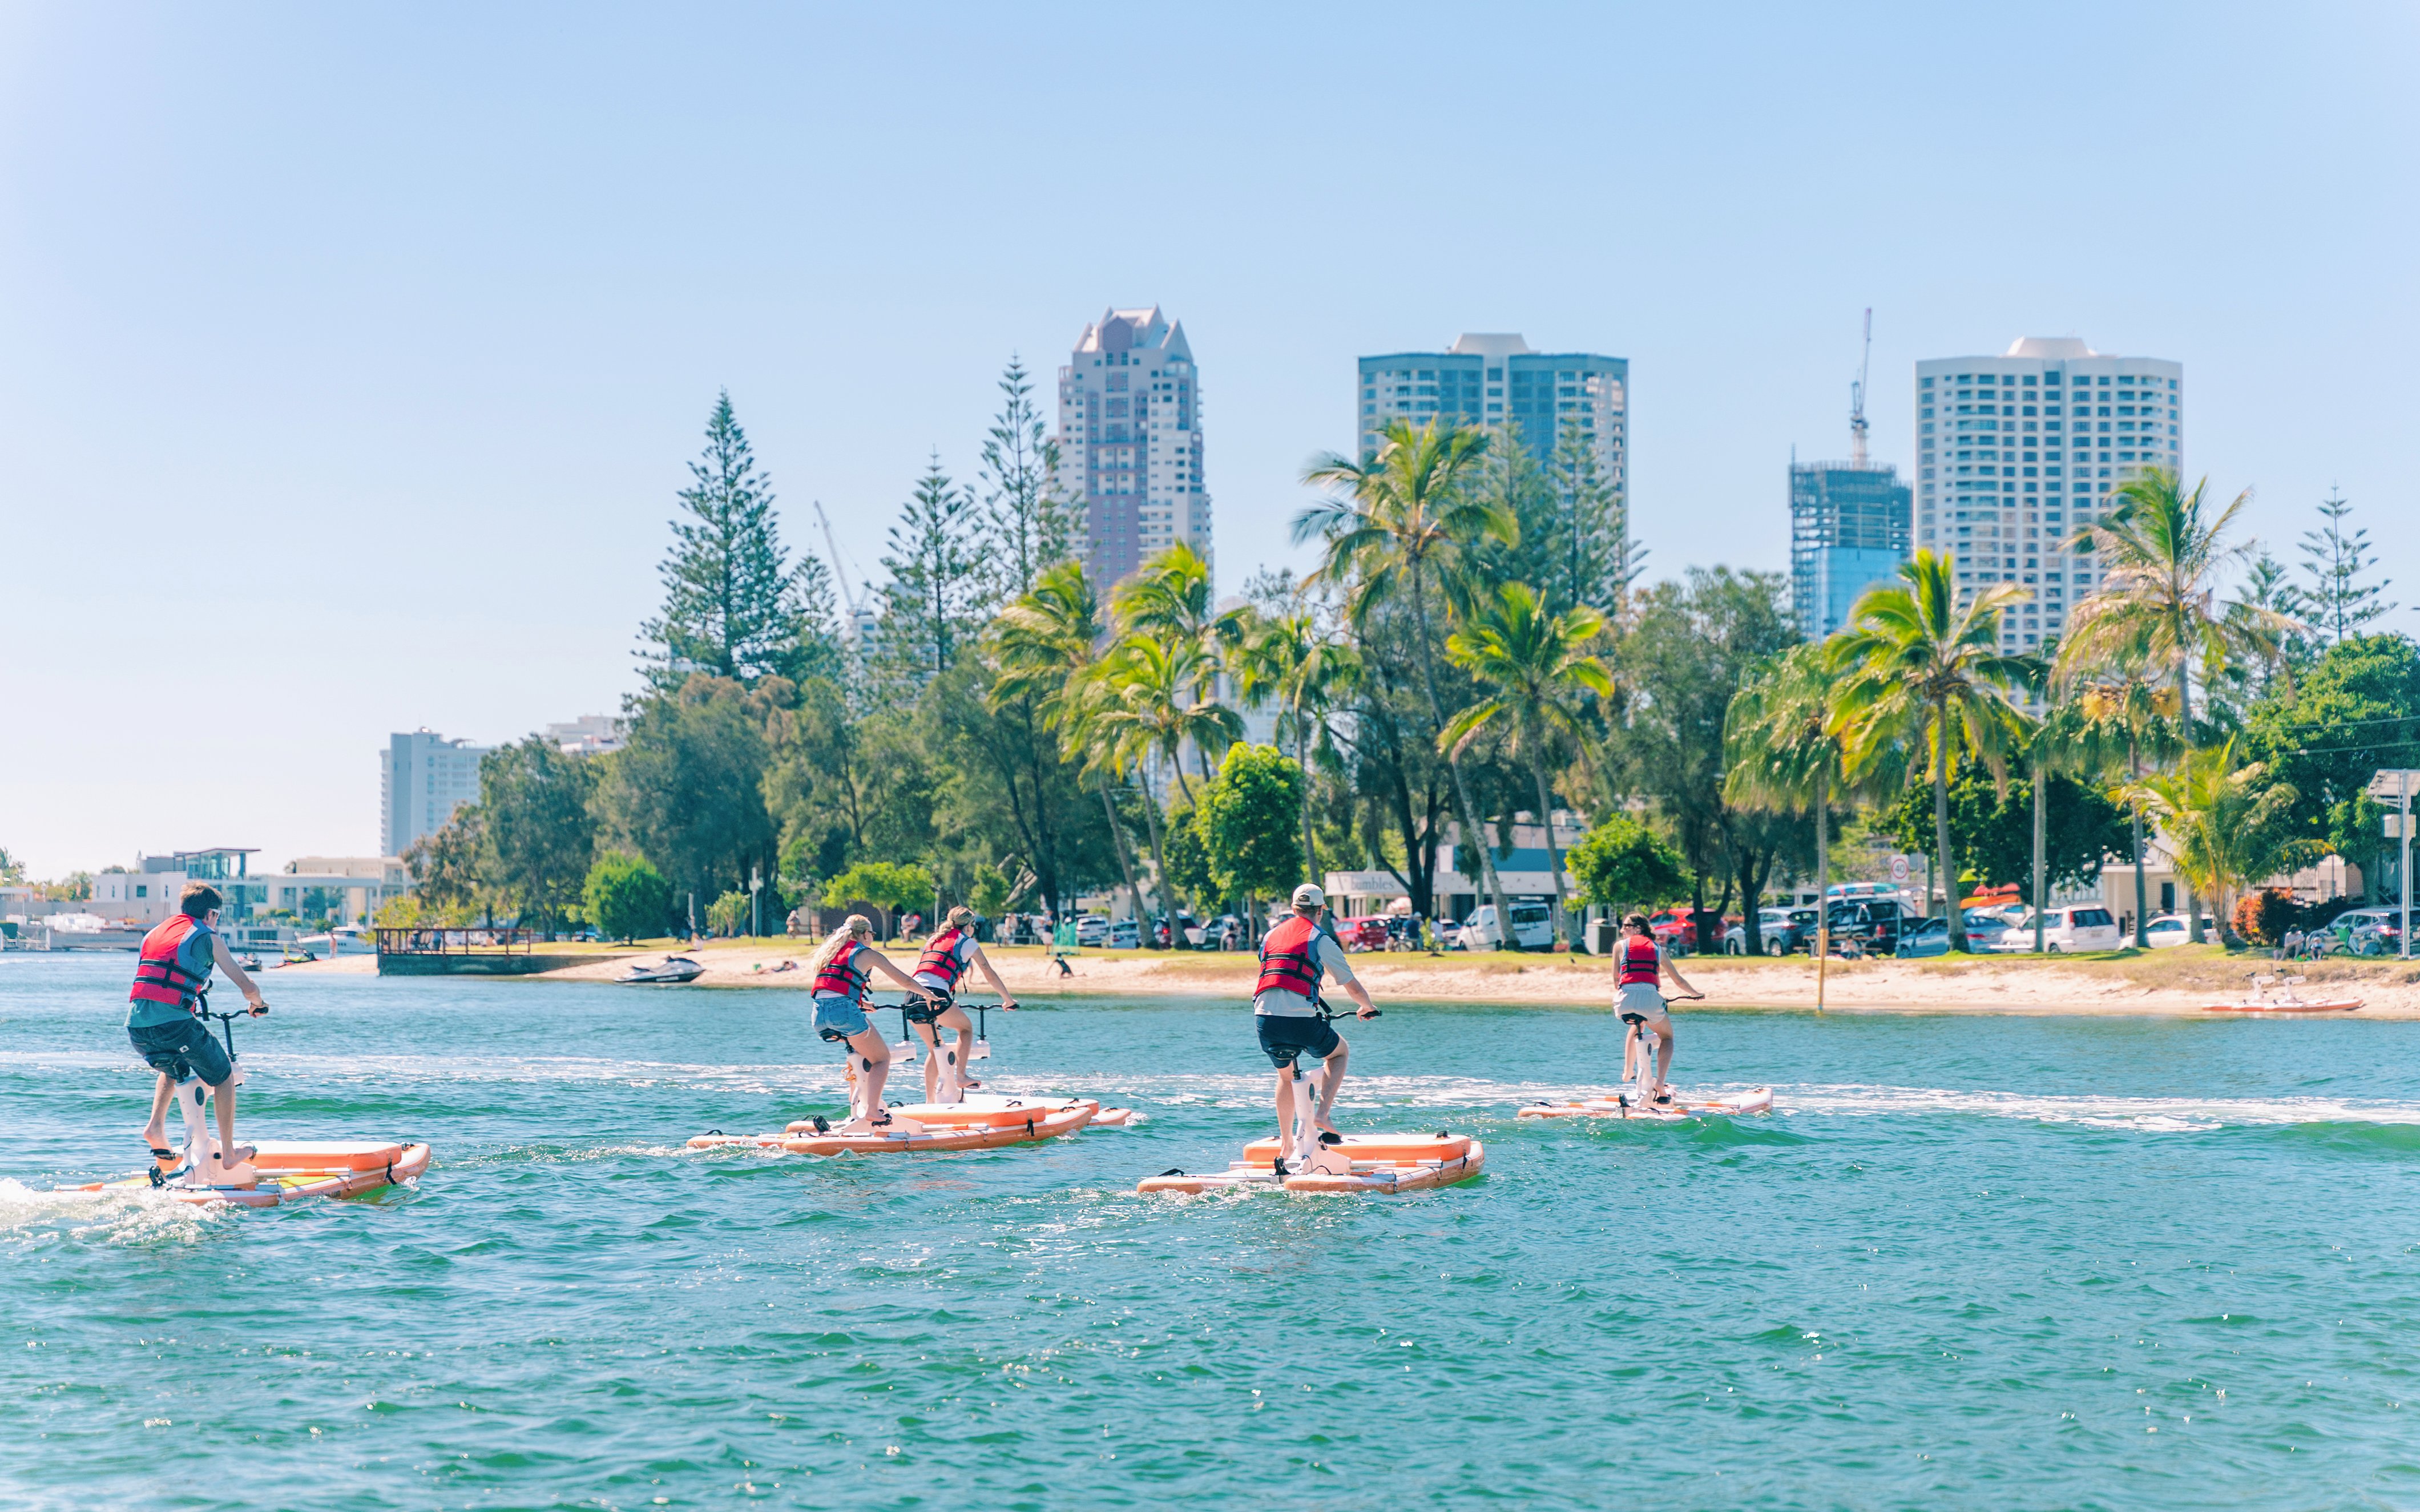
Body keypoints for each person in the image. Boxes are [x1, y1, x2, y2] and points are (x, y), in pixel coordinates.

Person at [128, 884, 267, 1173]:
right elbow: (247, 986)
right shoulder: (208, 936)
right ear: (212, 913)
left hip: (137, 1027)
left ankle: (155, 1128)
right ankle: (229, 1154)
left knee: (174, 1065)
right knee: (223, 1075)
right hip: (175, 1025)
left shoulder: (155, 933)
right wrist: (258, 1003)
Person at [1254, 883, 1379, 1142]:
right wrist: (1367, 1007)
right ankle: (1322, 1114)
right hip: (1301, 1022)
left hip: (1265, 1021)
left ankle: (1287, 1145)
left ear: (1293, 909)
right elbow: (1352, 986)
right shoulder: (1320, 939)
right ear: (1321, 911)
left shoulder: (1270, 936)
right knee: (1339, 1053)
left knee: (1286, 1077)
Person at [806, 915, 938, 1128]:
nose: (872, 938)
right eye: (872, 934)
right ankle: (872, 1110)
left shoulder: (830, 953)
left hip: (818, 1016)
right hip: (844, 1012)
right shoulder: (867, 954)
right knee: (881, 1058)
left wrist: (860, 1003)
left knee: (859, 1053)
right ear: (865, 934)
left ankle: (855, 1109)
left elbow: (832, 989)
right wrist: (929, 995)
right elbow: (904, 980)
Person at [906, 905, 1020, 1101]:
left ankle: (929, 1102)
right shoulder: (967, 943)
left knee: (936, 1048)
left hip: (912, 997)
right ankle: (961, 1076)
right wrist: (1008, 1000)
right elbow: (989, 973)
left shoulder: (934, 939)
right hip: (936, 996)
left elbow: (931, 972)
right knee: (966, 1028)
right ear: (968, 926)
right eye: (973, 926)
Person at [1615, 912, 1701, 1103]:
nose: (1622, 930)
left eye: (1626, 926)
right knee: (1667, 1037)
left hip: (1624, 1001)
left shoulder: (1619, 947)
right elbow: (1678, 980)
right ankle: (1659, 1082)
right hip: (1651, 1000)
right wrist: (1695, 994)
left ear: (1638, 928)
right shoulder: (1657, 949)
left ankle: (1628, 1071)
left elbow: (1616, 980)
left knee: (1638, 1023)